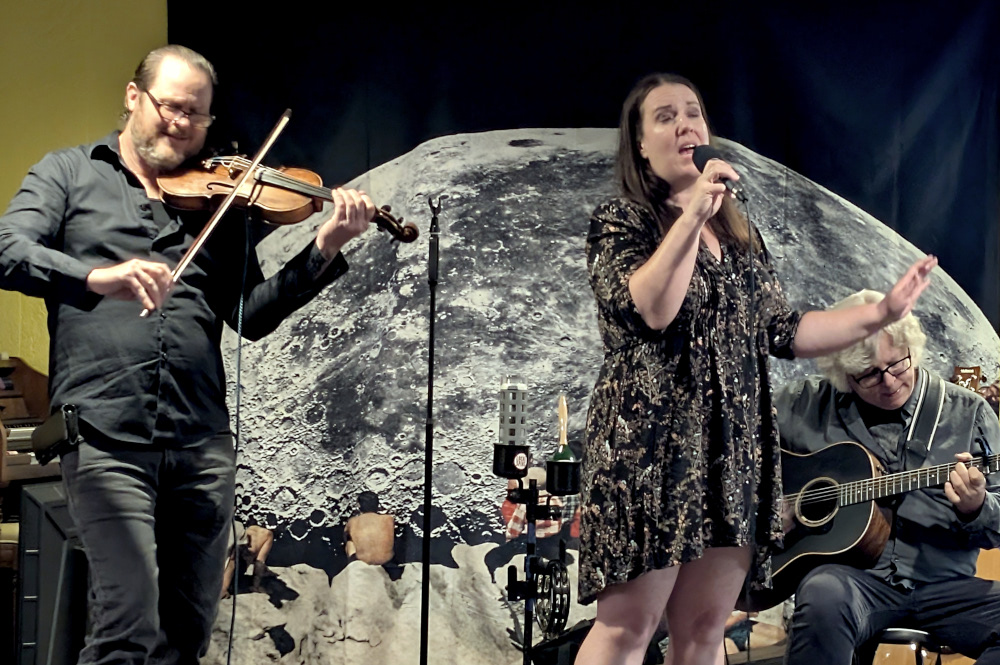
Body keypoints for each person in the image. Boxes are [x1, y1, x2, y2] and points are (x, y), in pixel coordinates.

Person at [0, 44, 375, 664]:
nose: (182, 125)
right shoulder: (68, 173)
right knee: (127, 625)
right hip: (104, 439)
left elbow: (250, 315)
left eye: (197, 116)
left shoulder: (219, 201)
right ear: (132, 97)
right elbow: (9, 250)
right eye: (171, 107)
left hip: (201, 446)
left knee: (186, 635)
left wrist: (323, 249)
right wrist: (96, 278)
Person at [576, 72, 938, 665]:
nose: (686, 124)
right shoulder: (624, 220)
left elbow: (785, 330)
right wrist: (691, 214)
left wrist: (882, 313)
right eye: (664, 117)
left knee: (703, 628)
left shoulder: (738, 230)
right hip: (652, 450)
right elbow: (655, 309)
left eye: (692, 112)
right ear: (639, 144)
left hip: (731, 448)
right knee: (628, 628)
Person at [776, 290, 1000, 664]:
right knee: (822, 594)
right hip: (851, 582)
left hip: (946, 584)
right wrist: (766, 509)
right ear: (843, 375)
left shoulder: (969, 413)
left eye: (898, 364)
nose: (890, 382)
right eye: (869, 375)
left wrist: (977, 507)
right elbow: (733, 458)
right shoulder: (803, 406)